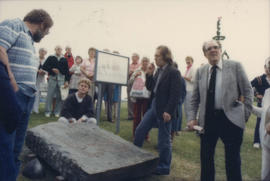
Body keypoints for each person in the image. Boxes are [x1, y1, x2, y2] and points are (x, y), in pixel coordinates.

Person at [187, 40, 253, 181]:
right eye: (209, 48)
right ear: (205, 54)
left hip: (231, 120)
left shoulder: (235, 66)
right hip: (208, 120)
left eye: (216, 47)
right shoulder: (200, 71)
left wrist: (244, 115)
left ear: (220, 50)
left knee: (232, 161)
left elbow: (248, 92)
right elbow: (194, 99)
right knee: (206, 160)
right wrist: (192, 118)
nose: (213, 50)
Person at [0, 9, 53, 180]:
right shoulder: (14, 24)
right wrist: (12, 80)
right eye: (47, 30)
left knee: (17, 147)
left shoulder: (30, 40)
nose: (46, 34)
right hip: (14, 94)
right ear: (42, 24)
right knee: (5, 145)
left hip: (28, 97)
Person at [134, 45, 182, 175]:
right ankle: (132, 158)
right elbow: (150, 88)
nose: (154, 58)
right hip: (154, 106)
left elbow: (175, 94)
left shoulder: (174, 72)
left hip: (165, 109)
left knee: (164, 139)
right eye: (154, 56)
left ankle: (164, 167)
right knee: (140, 130)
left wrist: (169, 111)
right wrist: (149, 74)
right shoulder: (158, 71)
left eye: (157, 56)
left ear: (165, 57)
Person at [252, 57, 270, 181]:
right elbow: (263, 113)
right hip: (266, 139)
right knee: (265, 174)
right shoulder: (267, 92)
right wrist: (247, 105)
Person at [43, 45, 69, 117]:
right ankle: (47, 111)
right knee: (50, 95)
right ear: (55, 49)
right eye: (57, 49)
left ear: (62, 50)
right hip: (52, 78)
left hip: (61, 79)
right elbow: (44, 66)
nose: (59, 50)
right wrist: (52, 69)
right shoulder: (51, 57)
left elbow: (67, 71)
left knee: (60, 96)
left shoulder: (64, 59)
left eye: (60, 49)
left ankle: (57, 112)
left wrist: (67, 81)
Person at [129, 57, 151, 141]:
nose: (145, 63)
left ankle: (146, 135)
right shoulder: (137, 70)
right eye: (144, 61)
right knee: (137, 116)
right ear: (141, 62)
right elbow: (130, 81)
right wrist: (134, 76)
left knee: (146, 117)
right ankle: (135, 134)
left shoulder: (151, 70)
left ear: (148, 62)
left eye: (147, 61)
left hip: (147, 97)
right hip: (137, 96)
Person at [251, 64, 270, 148]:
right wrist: (256, 94)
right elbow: (248, 86)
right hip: (262, 104)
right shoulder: (259, 79)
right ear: (265, 68)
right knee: (260, 121)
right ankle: (257, 141)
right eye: (267, 67)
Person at [171, 62, 186, 141]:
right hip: (169, 103)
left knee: (174, 123)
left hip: (177, 104)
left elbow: (184, 92)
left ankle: (171, 141)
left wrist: (180, 101)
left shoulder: (181, 78)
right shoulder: (168, 77)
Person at [32, 48, 48, 114]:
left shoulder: (46, 60)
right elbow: (33, 66)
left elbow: (47, 69)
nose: (42, 53)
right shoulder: (35, 58)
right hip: (34, 77)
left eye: (43, 51)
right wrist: (37, 71)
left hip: (41, 78)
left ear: (45, 53)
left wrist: (44, 72)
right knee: (32, 93)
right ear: (39, 52)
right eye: (41, 51)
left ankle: (36, 109)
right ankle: (30, 109)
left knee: (39, 93)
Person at [127, 53, 141, 120]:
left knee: (136, 99)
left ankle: (136, 115)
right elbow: (126, 73)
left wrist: (134, 72)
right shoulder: (129, 65)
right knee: (130, 99)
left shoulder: (140, 65)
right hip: (130, 83)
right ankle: (130, 115)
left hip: (137, 84)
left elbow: (140, 73)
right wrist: (129, 72)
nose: (133, 58)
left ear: (138, 58)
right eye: (132, 57)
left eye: (135, 57)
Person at [183, 56, 196, 120]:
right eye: (186, 60)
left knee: (189, 108)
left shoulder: (193, 69)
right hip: (186, 90)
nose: (187, 61)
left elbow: (194, 80)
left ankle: (191, 123)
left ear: (192, 61)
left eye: (189, 60)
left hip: (191, 91)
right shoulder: (187, 69)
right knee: (186, 107)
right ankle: (189, 123)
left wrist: (184, 77)